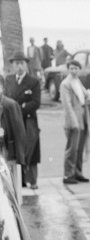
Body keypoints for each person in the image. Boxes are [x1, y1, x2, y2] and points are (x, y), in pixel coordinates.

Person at [5, 51, 41, 190]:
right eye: (16, 63)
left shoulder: (33, 82)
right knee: (14, 151)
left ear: (26, 65)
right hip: (11, 122)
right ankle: (18, 181)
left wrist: (17, 108)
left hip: (28, 122)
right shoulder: (8, 80)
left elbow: (35, 103)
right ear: (13, 65)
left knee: (31, 152)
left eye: (22, 63)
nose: (19, 66)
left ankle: (32, 181)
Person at [60, 59, 90, 184]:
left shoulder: (77, 81)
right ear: (68, 69)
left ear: (79, 69)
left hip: (82, 117)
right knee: (72, 148)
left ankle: (78, 172)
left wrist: (88, 95)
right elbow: (67, 105)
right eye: (72, 68)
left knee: (80, 148)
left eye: (76, 68)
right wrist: (73, 122)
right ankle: (68, 175)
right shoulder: (65, 84)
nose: (74, 71)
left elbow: (84, 95)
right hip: (73, 119)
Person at [0, 74, 27, 203]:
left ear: (2, 87)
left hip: (7, 153)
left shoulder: (10, 105)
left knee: (10, 193)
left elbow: (19, 133)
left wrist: (19, 156)